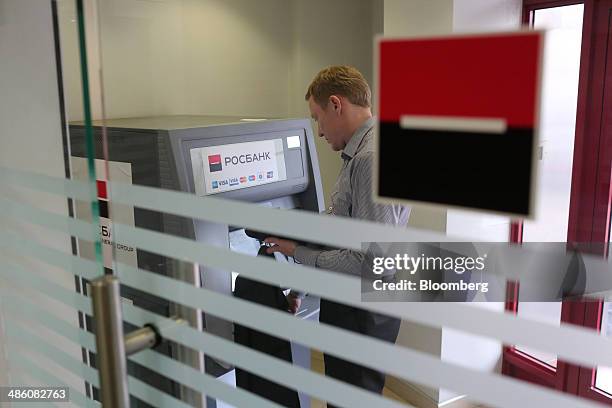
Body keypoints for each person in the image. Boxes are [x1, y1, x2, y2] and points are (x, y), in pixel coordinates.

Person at [265, 65, 410, 406]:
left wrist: (298, 254)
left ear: (336, 104)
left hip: (362, 310)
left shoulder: (369, 160)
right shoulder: (362, 152)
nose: (318, 131)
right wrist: (300, 283)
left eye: (317, 118)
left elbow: (372, 260)